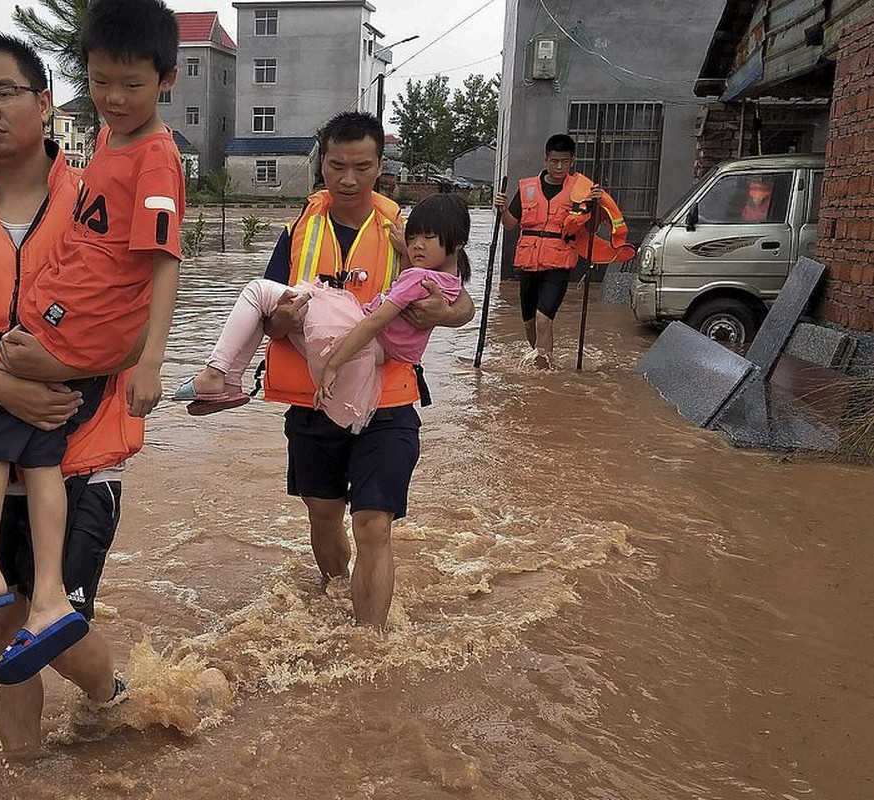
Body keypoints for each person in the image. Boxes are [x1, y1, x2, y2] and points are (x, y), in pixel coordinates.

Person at [0, 27, 157, 757]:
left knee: (57, 625)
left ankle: (111, 697)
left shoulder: (102, 200)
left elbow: (140, 333)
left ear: (44, 103)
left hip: (78, 449)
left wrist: (56, 374)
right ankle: (22, 770)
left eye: (4, 93)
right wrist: (6, 392)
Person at [232, 111, 473, 627]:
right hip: (314, 400)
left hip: (388, 400)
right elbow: (264, 318)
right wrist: (279, 320)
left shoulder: (408, 234)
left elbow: (462, 297)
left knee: (373, 524)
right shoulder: (296, 234)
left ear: (380, 167)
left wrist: (446, 312)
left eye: (361, 167)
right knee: (323, 516)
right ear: (321, 164)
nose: (347, 179)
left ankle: (369, 643)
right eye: (336, 165)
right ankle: (336, 592)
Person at [172, 193, 472, 435]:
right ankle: (229, 382)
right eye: (414, 237)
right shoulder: (449, 278)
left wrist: (334, 364)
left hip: (354, 336)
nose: (416, 243)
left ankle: (218, 375)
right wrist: (408, 254)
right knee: (270, 302)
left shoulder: (415, 272)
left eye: (427, 237)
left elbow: (375, 321)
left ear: (378, 165)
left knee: (257, 292)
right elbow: (446, 282)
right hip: (374, 349)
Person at [493, 133, 607, 370]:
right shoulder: (526, 188)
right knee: (529, 324)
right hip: (528, 263)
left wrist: (596, 204)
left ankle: (544, 372)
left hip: (558, 264)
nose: (559, 166)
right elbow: (510, 224)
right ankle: (541, 359)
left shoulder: (581, 190)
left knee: (544, 320)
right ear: (545, 160)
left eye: (565, 162)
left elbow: (591, 226)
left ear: (572, 161)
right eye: (554, 161)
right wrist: (501, 209)